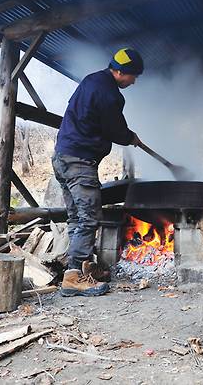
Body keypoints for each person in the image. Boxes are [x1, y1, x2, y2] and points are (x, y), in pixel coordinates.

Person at [52, 48, 143, 297]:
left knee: (76, 217)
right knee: (89, 216)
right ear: (121, 71)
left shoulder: (93, 80)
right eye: (133, 76)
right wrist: (129, 137)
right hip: (79, 161)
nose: (133, 82)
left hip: (62, 157)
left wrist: (125, 135)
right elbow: (115, 129)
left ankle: (80, 268)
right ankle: (74, 278)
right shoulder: (109, 93)